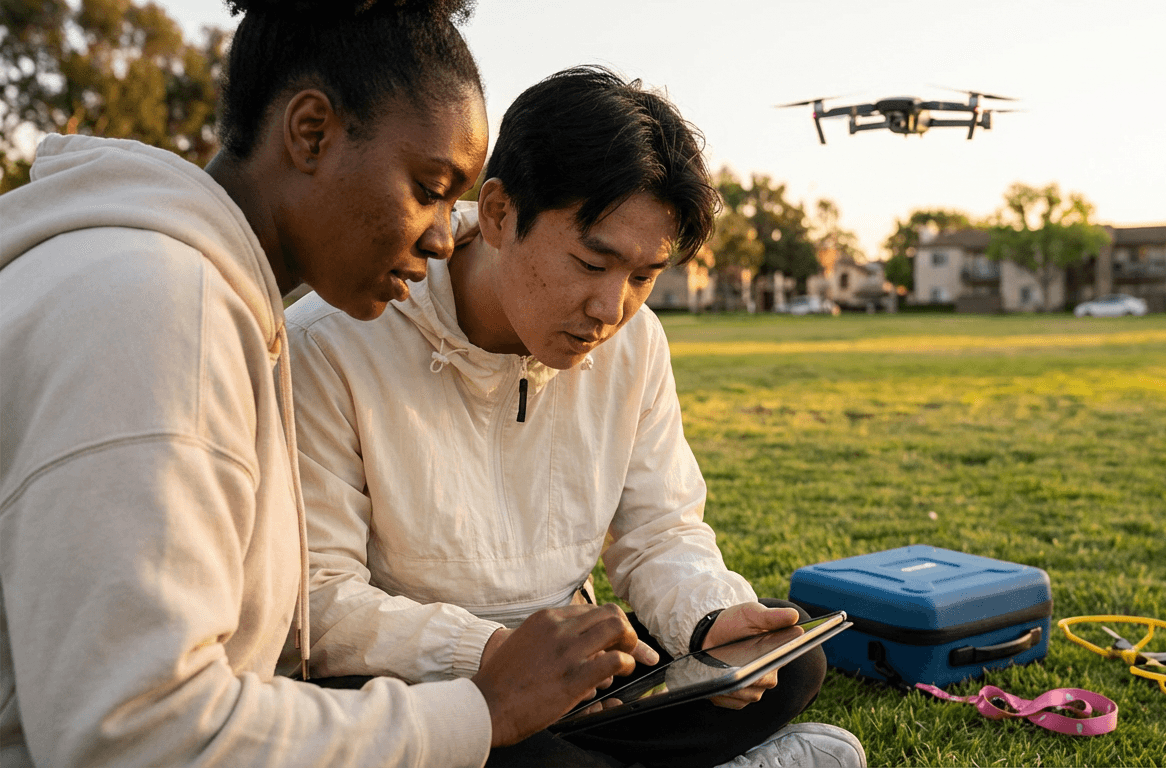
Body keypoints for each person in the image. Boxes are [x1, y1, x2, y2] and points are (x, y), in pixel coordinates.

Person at [0, 3, 643, 766]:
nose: (445, 236)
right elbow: (138, 733)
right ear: (311, 133)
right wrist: (482, 710)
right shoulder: (160, 308)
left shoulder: (186, 292)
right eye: (428, 187)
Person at [286, 65, 868, 768]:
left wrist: (708, 618)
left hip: (577, 675)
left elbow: (660, 529)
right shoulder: (334, 340)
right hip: (427, 682)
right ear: (499, 213)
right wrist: (494, 657)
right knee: (452, 739)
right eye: (592, 263)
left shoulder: (637, 341)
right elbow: (319, 602)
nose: (611, 309)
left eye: (644, 276)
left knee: (786, 658)